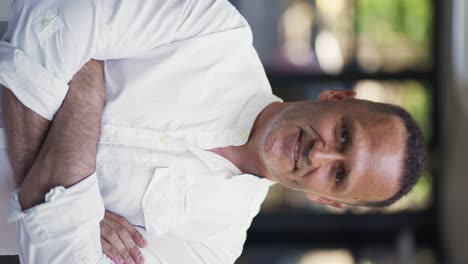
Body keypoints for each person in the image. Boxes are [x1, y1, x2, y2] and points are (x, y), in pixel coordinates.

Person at [0, 0, 424, 263]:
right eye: (344, 135)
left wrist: (89, 81)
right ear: (335, 98)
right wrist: (63, 208)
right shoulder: (216, 30)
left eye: (338, 175)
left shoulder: (211, 249)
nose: (320, 154)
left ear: (324, 199)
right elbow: (53, 13)